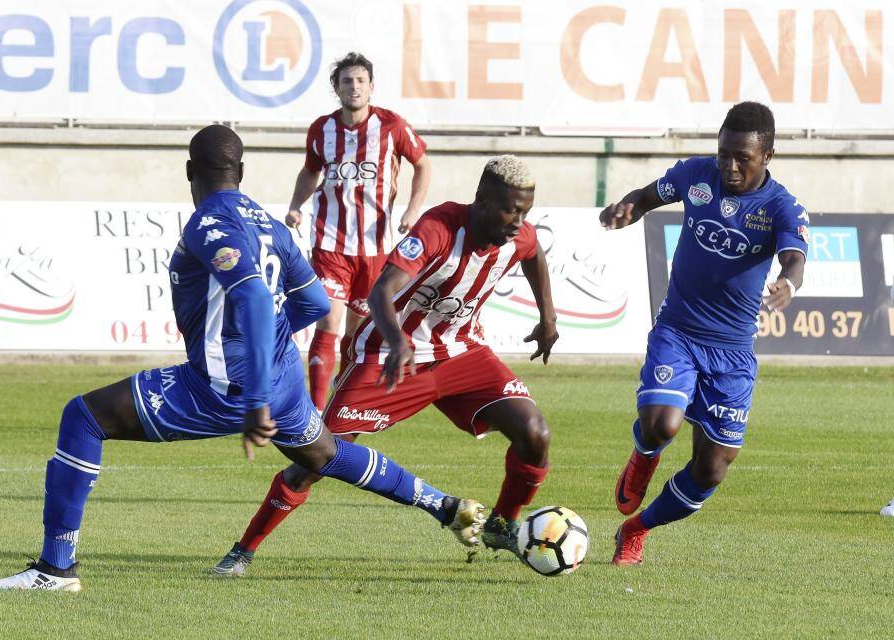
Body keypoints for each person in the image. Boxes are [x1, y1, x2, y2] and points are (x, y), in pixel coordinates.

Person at [0, 125, 483, 592]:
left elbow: (254, 300)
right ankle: (443, 505)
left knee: (84, 418)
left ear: (188, 171)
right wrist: (271, 366)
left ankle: (55, 569)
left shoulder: (209, 222)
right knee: (323, 454)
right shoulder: (269, 223)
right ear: (241, 173)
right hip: (283, 378)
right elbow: (310, 303)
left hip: (228, 385)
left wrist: (256, 399)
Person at [212, 155, 557, 576]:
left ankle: (501, 524)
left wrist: (548, 319)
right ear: (482, 199)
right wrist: (397, 341)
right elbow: (381, 291)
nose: (518, 221)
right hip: (385, 356)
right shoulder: (440, 227)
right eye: (510, 209)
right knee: (316, 458)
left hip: (462, 352)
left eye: (525, 211)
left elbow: (534, 252)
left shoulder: (516, 235)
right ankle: (243, 550)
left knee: (535, 433)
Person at [601, 101, 809, 565]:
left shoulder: (782, 206)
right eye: (724, 154)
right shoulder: (696, 175)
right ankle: (643, 456)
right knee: (661, 424)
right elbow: (647, 195)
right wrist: (626, 209)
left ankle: (636, 529)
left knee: (711, 470)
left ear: (768, 155)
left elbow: (795, 255)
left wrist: (789, 283)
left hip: (733, 352)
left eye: (743, 158)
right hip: (678, 330)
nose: (730, 167)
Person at [285, 51, 431, 411]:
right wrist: (295, 205)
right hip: (330, 243)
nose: (354, 87)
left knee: (356, 332)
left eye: (360, 81)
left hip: (376, 247)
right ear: (337, 87)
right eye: (347, 81)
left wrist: (413, 209)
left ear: (371, 86)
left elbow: (423, 165)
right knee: (327, 320)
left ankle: (340, 399)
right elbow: (310, 171)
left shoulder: (393, 126)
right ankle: (316, 413)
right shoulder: (322, 129)